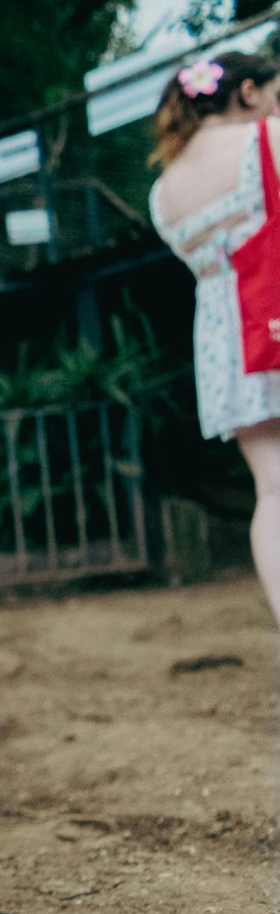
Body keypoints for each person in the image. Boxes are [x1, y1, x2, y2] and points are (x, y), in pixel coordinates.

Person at [149, 50, 280, 623]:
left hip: (227, 340)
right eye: (273, 92)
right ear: (248, 92)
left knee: (273, 489)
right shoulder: (266, 137)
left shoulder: (165, 190)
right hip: (274, 304)